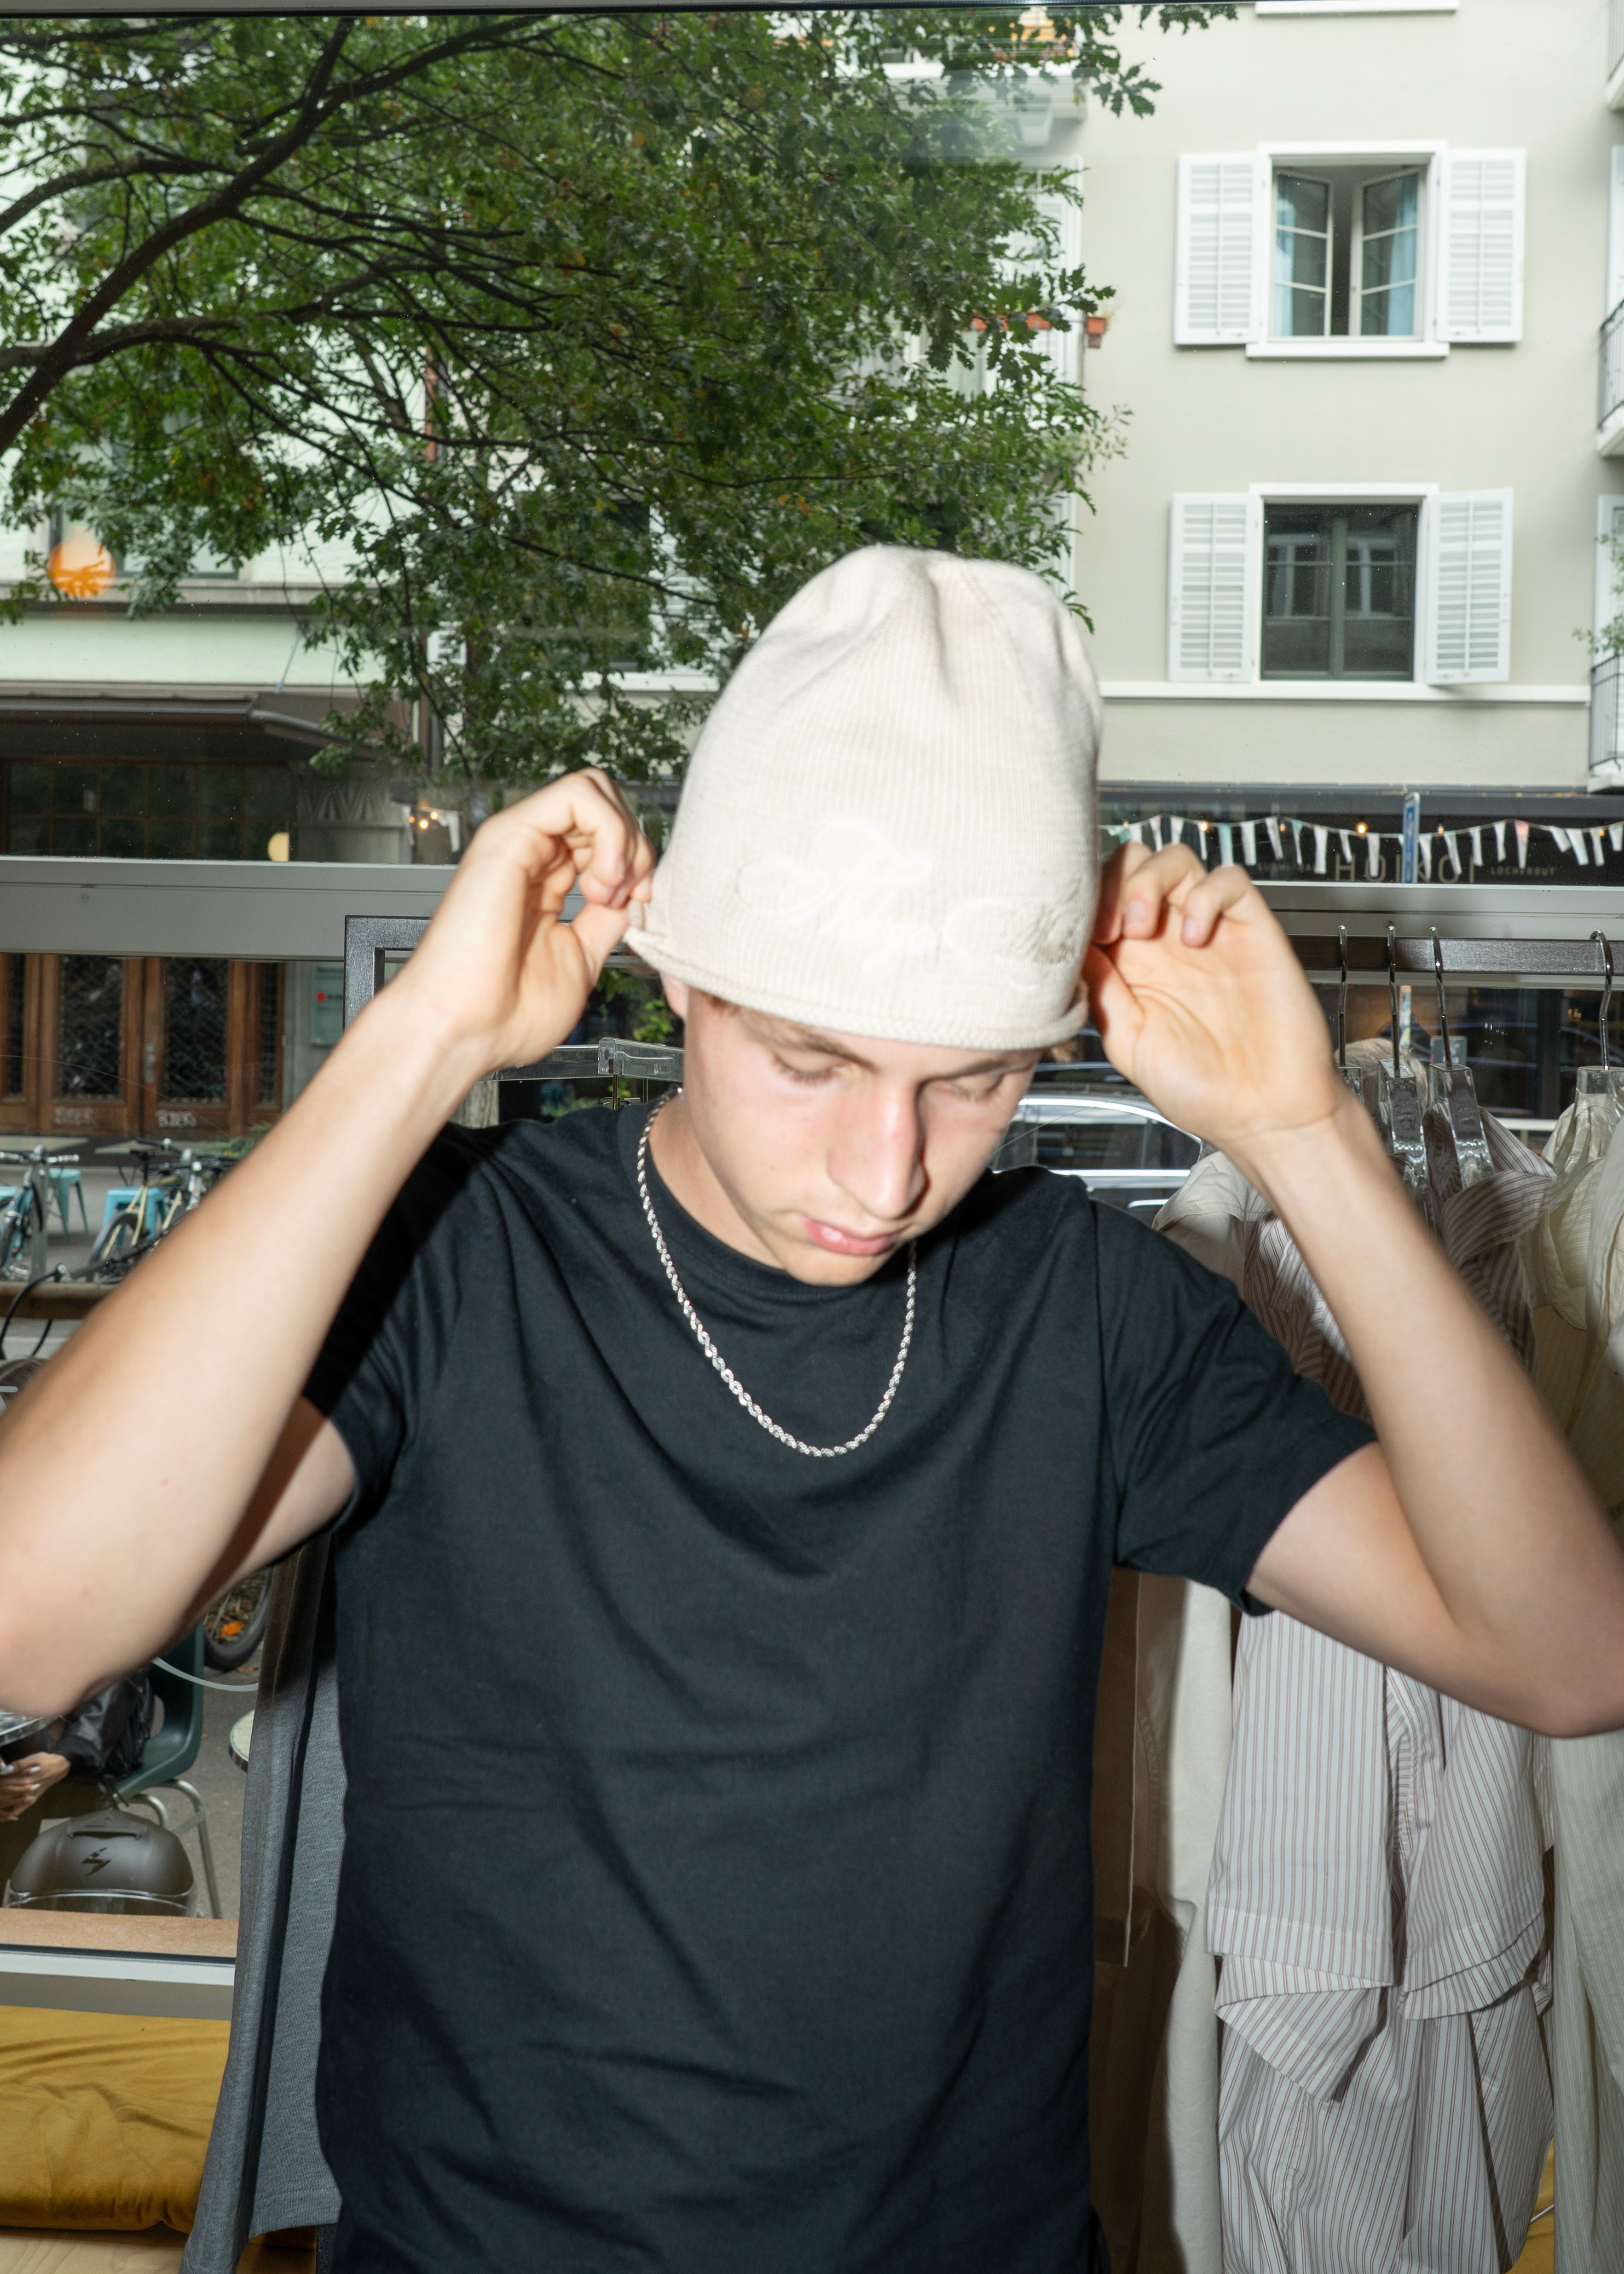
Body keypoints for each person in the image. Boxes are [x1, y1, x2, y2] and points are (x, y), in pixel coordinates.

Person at [0, 546, 1620, 2273]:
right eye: (810, 1062)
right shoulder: (459, 1257)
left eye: (973, 1080)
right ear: (681, 981)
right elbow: (29, 1622)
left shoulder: (1081, 1307)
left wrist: (1306, 1136)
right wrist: (419, 1045)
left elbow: (1565, 1657)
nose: (885, 1168)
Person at [0, 1668, 153, 1892]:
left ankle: (13, 1892)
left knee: (22, 1763)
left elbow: (120, 1674)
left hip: (93, 1739)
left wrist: (70, 1755)